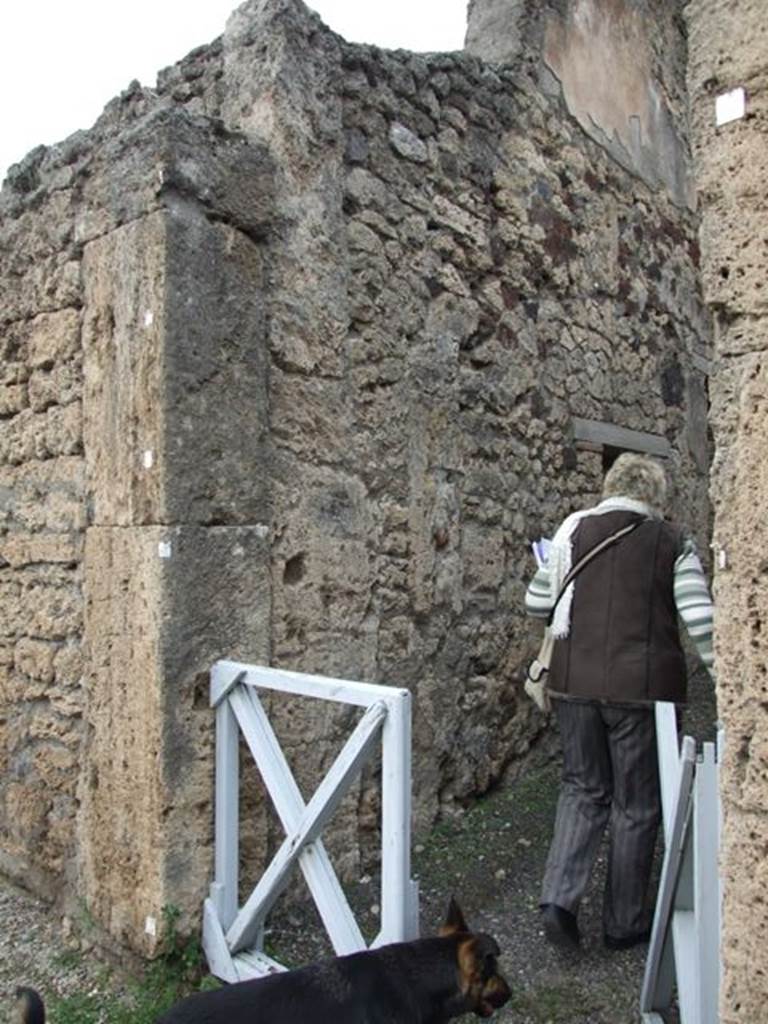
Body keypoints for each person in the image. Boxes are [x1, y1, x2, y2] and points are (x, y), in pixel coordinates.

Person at [524, 453, 714, 951]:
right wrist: (732, 684)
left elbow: (536, 604)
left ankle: (559, 901)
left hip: (573, 683)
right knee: (637, 804)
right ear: (657, 497)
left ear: (609, 487)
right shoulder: (673, 541)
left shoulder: (570, 534)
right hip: (644, 694)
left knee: (582, 789)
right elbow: (700, 618)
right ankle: (624, 923)